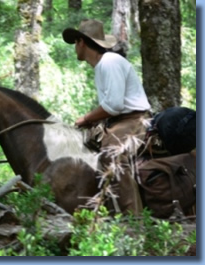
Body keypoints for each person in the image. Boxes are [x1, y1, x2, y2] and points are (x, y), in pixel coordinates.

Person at [62, 19, 151, 215]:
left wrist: (86, 118)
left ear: (82, 42)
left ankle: (133, 220)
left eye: (75, 43)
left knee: (112, 154)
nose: (75, 48)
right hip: (120, 120)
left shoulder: (109, 62)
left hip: (134, 120)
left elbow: (114, 105)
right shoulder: (103, 65)